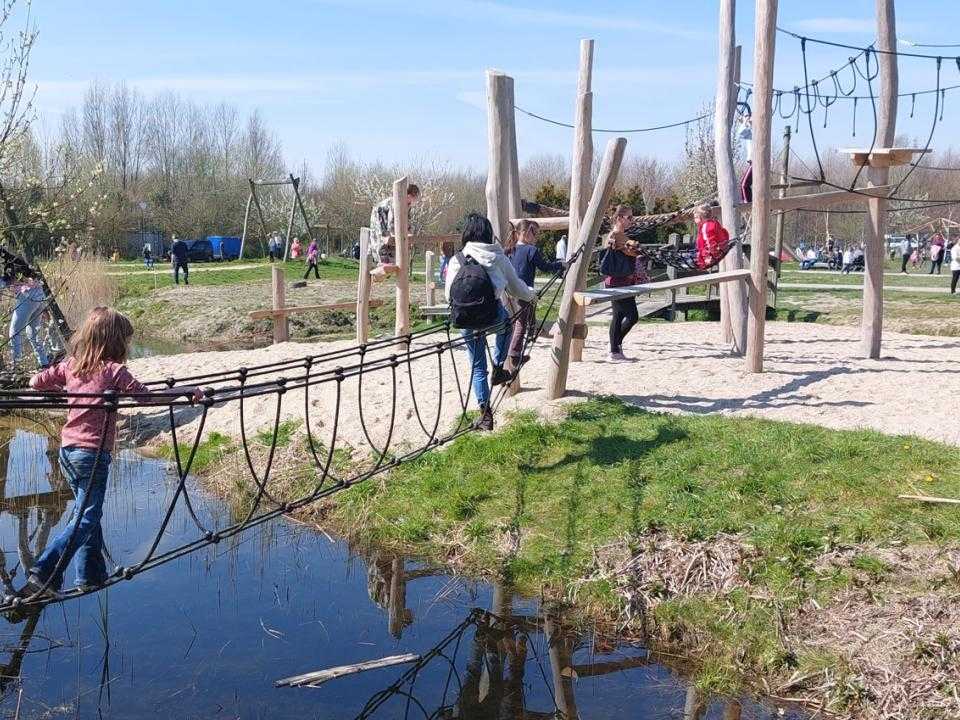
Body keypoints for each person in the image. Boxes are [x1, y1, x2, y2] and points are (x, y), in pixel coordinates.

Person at [17, 308, 203, 598]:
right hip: (92, 455)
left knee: (84, 512)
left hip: (67, 452)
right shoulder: (114, 371)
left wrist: (63, 393)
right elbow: (149, 398)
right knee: (87, 517)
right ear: (116, 342)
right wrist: (185, 391)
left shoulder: (71, 365)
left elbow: (34, 382)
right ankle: (44, 572)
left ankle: (91, 575)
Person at [444, 213, 535, 432]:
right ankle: (498, 365)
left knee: (477, 367)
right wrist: (532, 294)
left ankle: (485, 416)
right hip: (492, 316)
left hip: (465, 320)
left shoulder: (457, 259)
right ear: (487, 233)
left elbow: (449, 294)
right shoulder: (498, 257)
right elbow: (517, 289)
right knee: (508, 325)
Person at [503, 219, 563, 372]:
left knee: (524, 316)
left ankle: (532, 330)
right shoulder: (531, 250)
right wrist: (561, 265)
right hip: (524, 291)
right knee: (520, 324)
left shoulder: (510, 249)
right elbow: (545, 266)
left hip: (510, 291)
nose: (536, 237)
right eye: (534, 233)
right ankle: (515, 355)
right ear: (524, 233)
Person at [599, 205, 641, 362]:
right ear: (619, 218)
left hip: (619, 281)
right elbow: (633, 249)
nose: (632, 220)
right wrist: (637, 247)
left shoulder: (618, 235)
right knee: (632, 316)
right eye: (629, 217)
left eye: (632, 217)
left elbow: (631, 249)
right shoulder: (616, 235)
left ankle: (614, 348)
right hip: (618, 282)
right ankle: (613, 347)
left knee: (619, 315)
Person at [370, 184, 420, 278]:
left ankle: (391, 263)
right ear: (408, 196)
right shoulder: (392, 204)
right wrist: (397, 235)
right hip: (382, 227)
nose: (414, 202)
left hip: (391, 231)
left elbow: (407, 222)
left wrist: (409, 233)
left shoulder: (407, 206)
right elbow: (390, 224)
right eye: (414, 198)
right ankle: (383, 264)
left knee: (399, 247)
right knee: (385, 244)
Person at [7, 278, 49, 368]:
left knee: (14, 332)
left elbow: (5, 281)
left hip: (27, 295)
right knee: (33, 333)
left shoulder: (10, 266)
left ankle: (16, 366)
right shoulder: (27, 265)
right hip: (39, 294)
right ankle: (44, 363)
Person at [692, 205, 730, 269]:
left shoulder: (706, 227)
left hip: (710, 255)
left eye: (696, 217)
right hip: (719, 251)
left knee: (689, 259)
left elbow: (710, 242)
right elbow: (725, 233)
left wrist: (708, 257)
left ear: (701, 217)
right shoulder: (714, 223)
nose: (694, 219)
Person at [736, 107, 753, 202]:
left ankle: (748, 204)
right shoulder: (751, 130)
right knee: (744, 184)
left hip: (757, 162)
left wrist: (744, 122)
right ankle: (747, 202)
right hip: (753, 162)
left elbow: (741, 133)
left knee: (744, 185)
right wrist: (744, 122)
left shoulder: (756, 130)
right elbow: (742, 133)